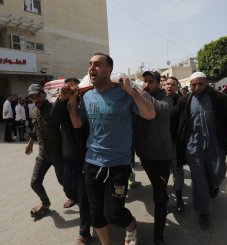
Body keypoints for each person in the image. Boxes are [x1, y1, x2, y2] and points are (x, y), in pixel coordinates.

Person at [68, 53, 156, 245]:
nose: (92, 67)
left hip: (118, 165)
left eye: (98, 64)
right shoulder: (87, 95)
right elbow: (77, 123)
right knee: (95, 213)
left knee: (114, 214)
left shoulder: (123, 93)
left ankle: (131, 225)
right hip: (92, 163)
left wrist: (132, 91)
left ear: (109, 69)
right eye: (90, 64)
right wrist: (72, 102)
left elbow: (150, 114)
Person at [173, 72, 227, 230]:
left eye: (200, 84)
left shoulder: (219, 98)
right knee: (199, 179)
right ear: (190, 86)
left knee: (218, 172)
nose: (197, 87)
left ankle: (214, 184)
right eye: (194, 85)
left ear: (206, 82)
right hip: (193, 145)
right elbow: (174, 119)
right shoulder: (184, 100)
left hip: (215, 143)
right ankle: (203, 211)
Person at [133, 71, 172, 244]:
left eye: (150, 81)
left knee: (159, 196)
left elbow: (159, 110)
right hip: (145, 155)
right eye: (145, 81)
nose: (147, 84)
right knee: (159, 189)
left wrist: (142, 93)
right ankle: (164, 195)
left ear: (158, 83)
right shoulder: (141, 97)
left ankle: (159, 237)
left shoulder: (166, 99)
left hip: (162, 156)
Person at [25, 84, 74, 217]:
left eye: (38, 96)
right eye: (32, 97)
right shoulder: (34, 111)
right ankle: (45, 203)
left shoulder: (54, 109)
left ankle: (75, 197)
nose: (36, 100)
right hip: (43, 154)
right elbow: (36, 128)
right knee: (35, 182)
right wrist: (30, 142)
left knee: (64, 181)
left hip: (58, 154)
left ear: (44, 94)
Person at [53, 78, 91, 244]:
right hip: (69, 157)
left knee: (84, 198)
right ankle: (79, 198)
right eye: (67, 87)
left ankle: (84, 233)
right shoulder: (62, 103)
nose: (71, 89)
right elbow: (54, 119)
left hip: (85, 157)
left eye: (74, 87)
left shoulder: (87, 102)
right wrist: (62, 99)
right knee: (68, 187)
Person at [165, 76, 185, 212]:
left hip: (175, 141)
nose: (169, 86)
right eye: (167, 84)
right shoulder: (159, 99)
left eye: (172, 84)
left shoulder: (182, 101)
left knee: (177, 170)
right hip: (161, 141)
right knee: (163, 171)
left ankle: (179, 198)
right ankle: (164, 199)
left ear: (177, 87)